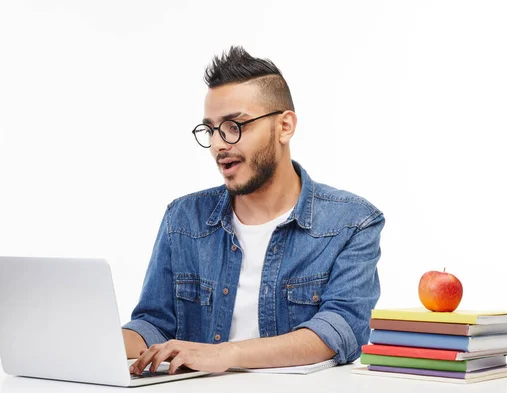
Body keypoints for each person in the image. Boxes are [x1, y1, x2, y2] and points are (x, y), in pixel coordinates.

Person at [123, 46, 385, 375]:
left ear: (284, 127)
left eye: (235, 126)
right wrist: (90, 340)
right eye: (211, 129)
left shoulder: (352, 222)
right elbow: (153, 325)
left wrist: (226, 354)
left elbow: (338, 331)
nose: (219, 144)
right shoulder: (183, 218)